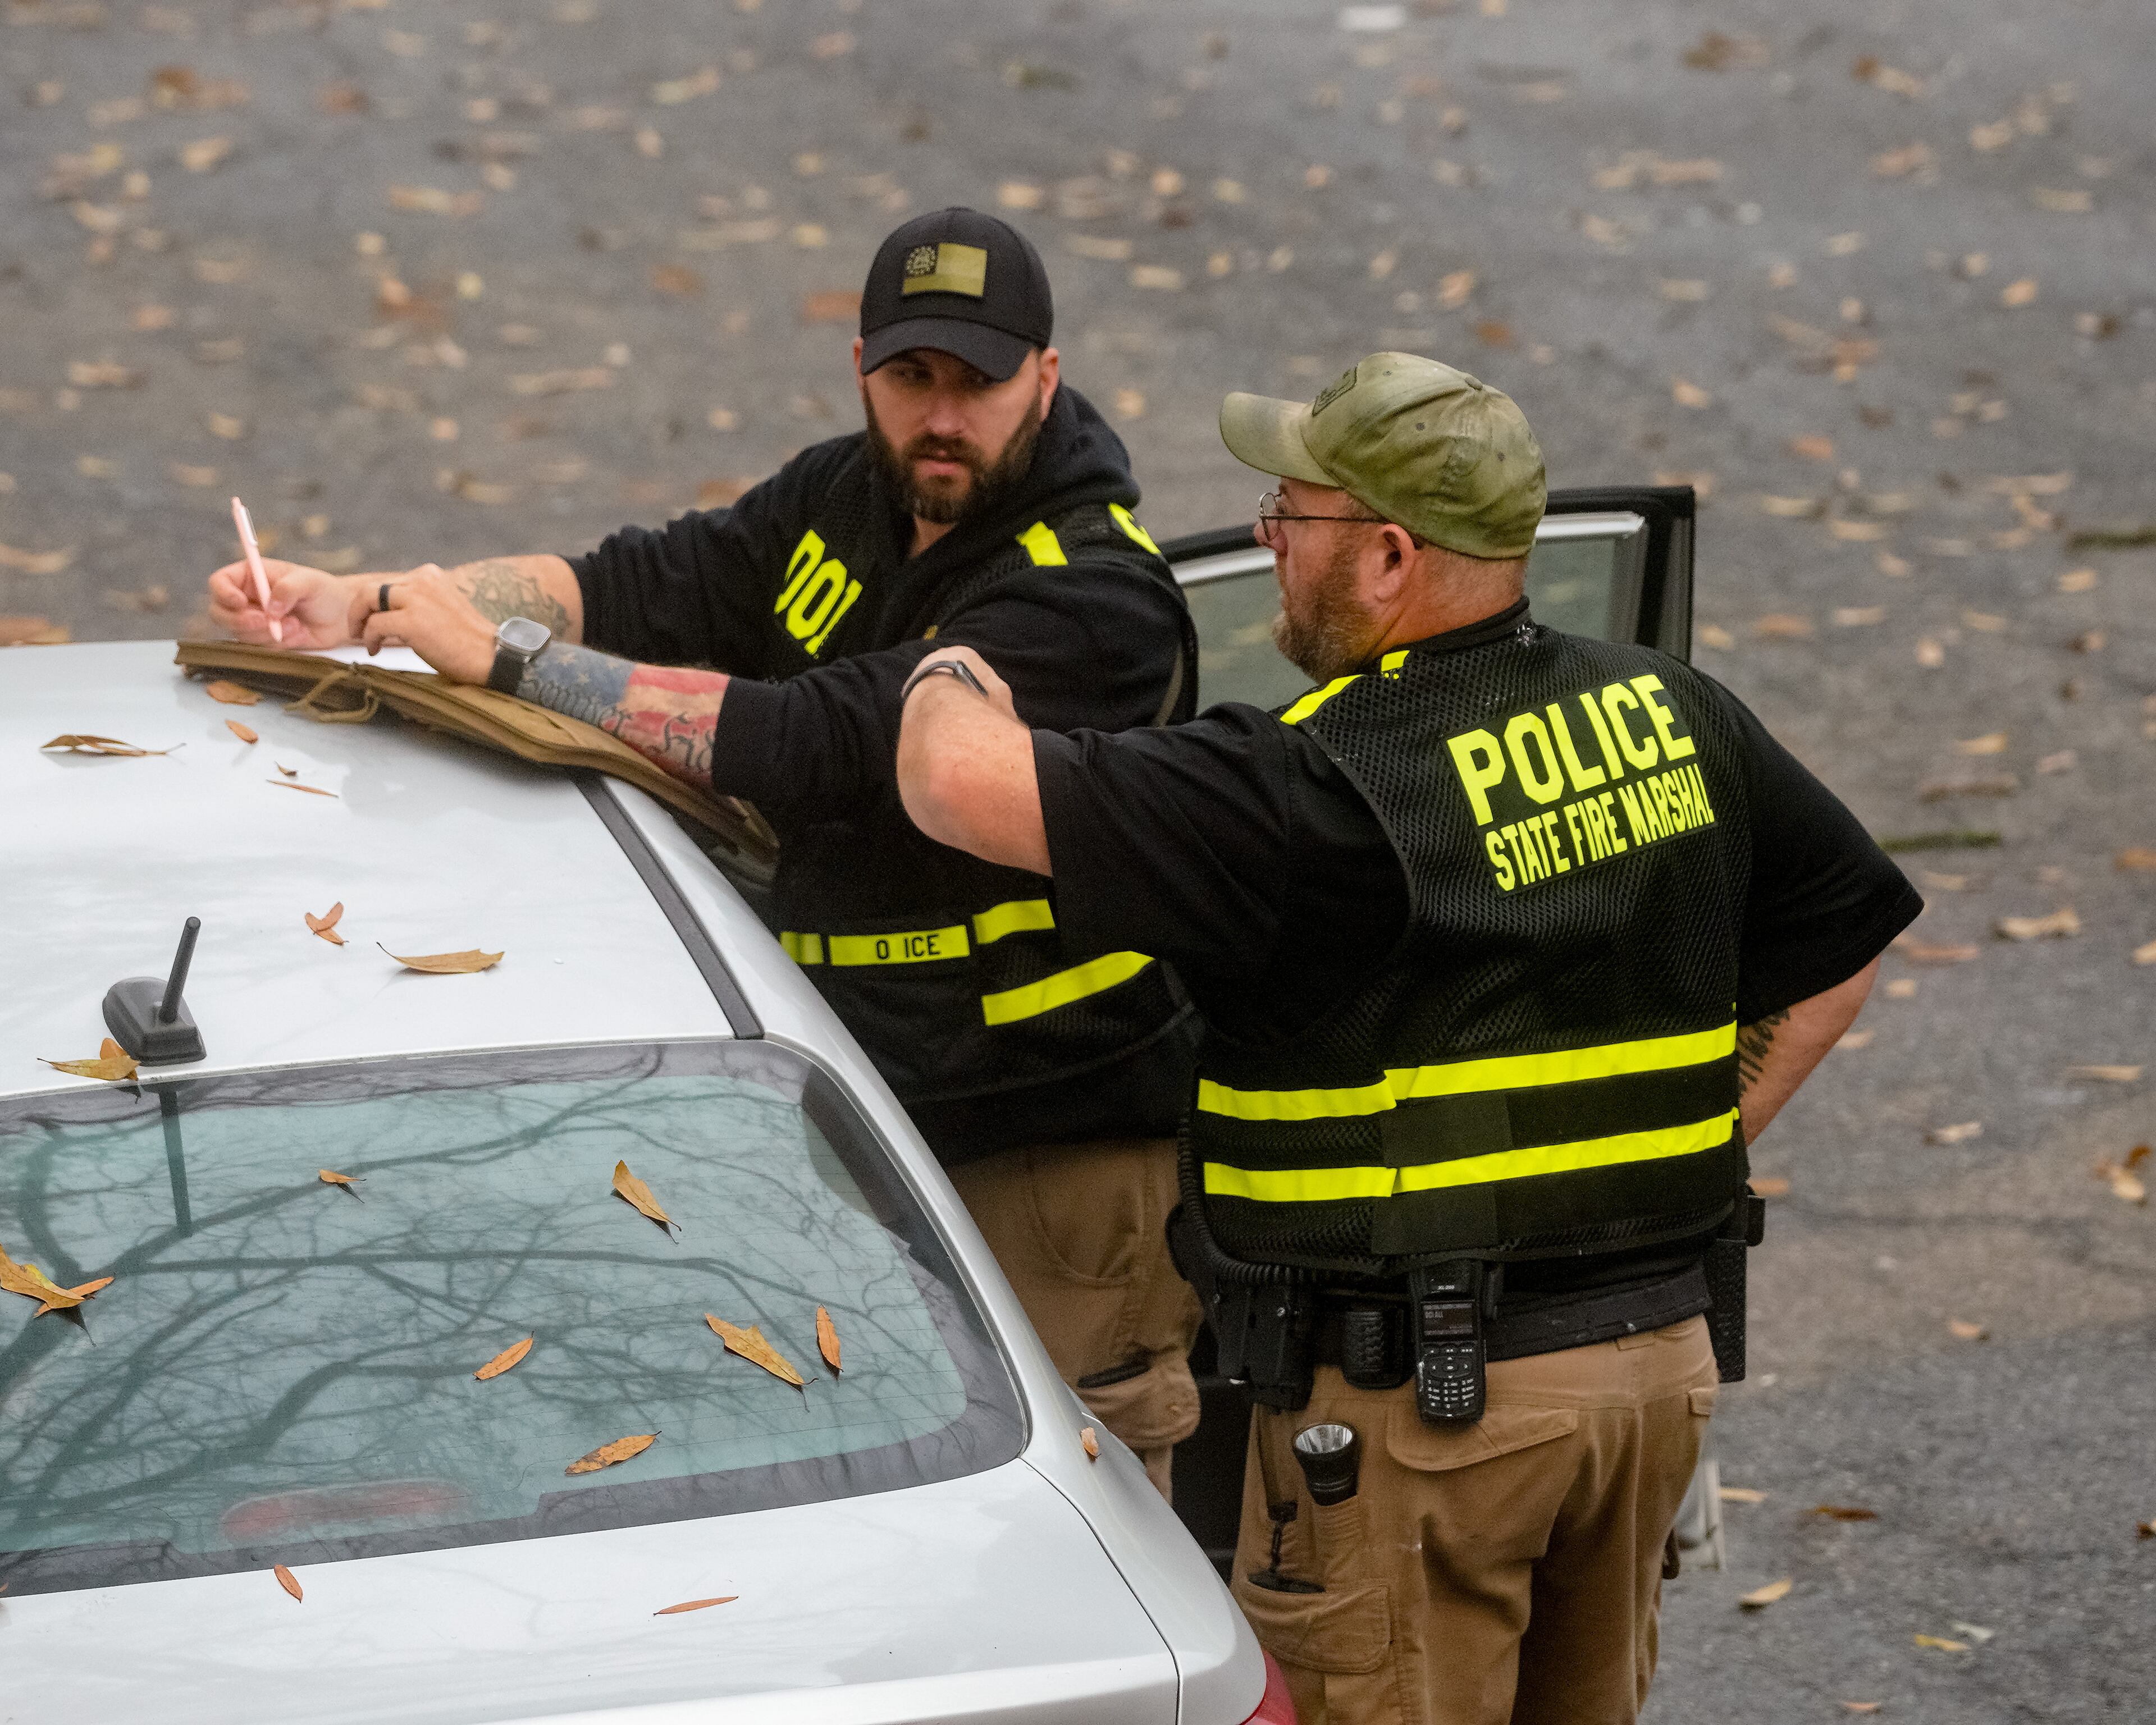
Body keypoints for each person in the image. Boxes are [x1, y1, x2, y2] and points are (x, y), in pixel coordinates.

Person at [888, 351, 1923, 1724]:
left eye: (1290, 513)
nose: (1265, 540)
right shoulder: (1675, 714)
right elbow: (1840, 945)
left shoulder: (1309, 786)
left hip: (1425, 1420)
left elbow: (955, 788)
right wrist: (1674, 1148)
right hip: (1650, 1381)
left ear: (1385, 555)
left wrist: (960, 651)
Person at [204, 208, 1207, 1497]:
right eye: (913, 379)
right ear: (863, 370)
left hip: (1050, 1158)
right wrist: (378, 601)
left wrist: (509, 659)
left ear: (1047, 379)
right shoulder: (847, 496)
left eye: (981, 381)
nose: (943, 415)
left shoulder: (1090, 592)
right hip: (861, 1117)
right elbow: (641, 581)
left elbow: (821, 741)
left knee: (1081, 1533)